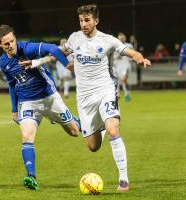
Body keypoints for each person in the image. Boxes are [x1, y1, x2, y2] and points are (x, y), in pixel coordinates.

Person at [61, 4, 151, 192]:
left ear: (96, 21)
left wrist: (139, 58)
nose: (83, 24)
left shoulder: (108, 40)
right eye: (80, 20)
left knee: (113, 129)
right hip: (85, 99)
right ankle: (100, 128)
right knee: (92, 147)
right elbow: (61, 53)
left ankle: (123, 179)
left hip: (105, 91)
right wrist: (41, 59)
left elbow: (130, 51)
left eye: (87, 20)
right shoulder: (74, 38)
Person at [0, 24, 81, 190]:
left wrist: (66, 64)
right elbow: (12, 85)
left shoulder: (28, 48)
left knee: (74, 132)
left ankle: (76, 120)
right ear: (0, 45)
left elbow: (54, 49)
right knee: (27, 136)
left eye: (12, 41)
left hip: (49, 98)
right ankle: (31, 177)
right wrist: (14, 109)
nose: (10, 45)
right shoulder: (3, 61)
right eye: (6, 44)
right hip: (28, 103)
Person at [110, 32, 134, 102]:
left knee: (123, 80)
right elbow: (111, 56)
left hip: (126, 65)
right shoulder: (114, 46)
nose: (121, 39)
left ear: (125, 39)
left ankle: (127, 93)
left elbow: (133, 55)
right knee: (116, 81)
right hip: (116, 66)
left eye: (123, 38)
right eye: (120, 38)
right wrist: (116, 57)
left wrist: (132, 58)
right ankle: (117, 95)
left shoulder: (129, 46)